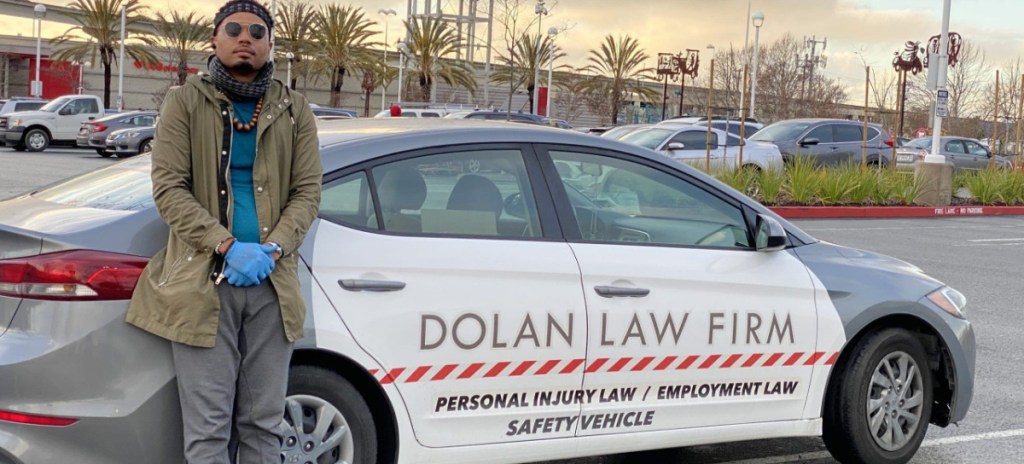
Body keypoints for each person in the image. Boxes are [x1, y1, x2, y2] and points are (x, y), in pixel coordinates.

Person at [125, 0, 322, 462]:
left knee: (263, 425)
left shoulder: (294, 109)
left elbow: (308, 192)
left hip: (273, 285)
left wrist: (272, 248)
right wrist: (227, 245)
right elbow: (169, 189)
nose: (245, 38)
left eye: (257, 31)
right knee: (208, 430)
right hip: (202, 286)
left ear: (271, 44)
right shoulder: (185, 101)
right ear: (214, 39)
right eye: (233, 28)